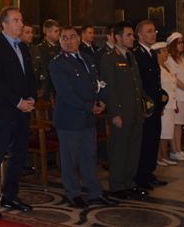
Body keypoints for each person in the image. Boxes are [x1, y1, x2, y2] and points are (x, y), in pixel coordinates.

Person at [49, 27, 116, 208]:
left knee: (89, 157)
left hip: (88, 118)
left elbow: (98, 83)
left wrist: (101, 101)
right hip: (70, 119)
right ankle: (73, 193)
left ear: (79, 39)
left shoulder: (87, 58)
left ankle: (95, 193)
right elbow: (66, 93)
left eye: (72, 37)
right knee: (70, 160)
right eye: (64, 38)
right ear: (60, 41)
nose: (68, 41)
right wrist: (89, 106)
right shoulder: (57, 63)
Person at [0, 7, 36, 219]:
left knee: (18, 155)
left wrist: (31, 98)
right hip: (3, 112)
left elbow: (29, 76)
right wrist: (18, 101)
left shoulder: (23, 47)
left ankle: (9, 195)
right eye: (16, 20)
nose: (21, 24)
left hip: (22, 111)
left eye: (21, 20)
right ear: (4, 24)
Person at [100, 21, 149, 200]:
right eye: (128, 35)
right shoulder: (109, 58)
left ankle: (129, 182)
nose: (132, 38)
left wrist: (145, 104)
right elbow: (109, 89)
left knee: (133, 150)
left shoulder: (131, 56)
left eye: (132, 35)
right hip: (121, 113)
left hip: (135, 111)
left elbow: (137, 84)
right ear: (117, 37)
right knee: (119, 150)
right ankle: (117, 185)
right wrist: (115, 114)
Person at [132, 20, 167, 190]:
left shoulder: (152, 53)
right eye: (149, 31)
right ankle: (141, 176)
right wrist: (144, 105)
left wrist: (160, 104)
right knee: (144, 141)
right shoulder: (136, 55)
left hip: (155, 105)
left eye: (154, 31)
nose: (153, 34)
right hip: (145, 106)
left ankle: (149, 172)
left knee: (153, 139)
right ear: (140, 35)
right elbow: (138, 84)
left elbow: (156, 82)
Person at [164, 32, 184, 161]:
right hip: (177, 95)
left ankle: (179, 149)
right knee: (174, 124)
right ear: (172, 45)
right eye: (178, 43)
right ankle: (174, 150)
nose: (181, 45)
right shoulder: (169, 59)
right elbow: (174, 79)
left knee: (180, 124)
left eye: (182, 42)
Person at [153, 41, 179, 167]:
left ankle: (164, 156)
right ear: (157, 54)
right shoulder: (156, 68)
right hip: (164, 105)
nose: (166, 53)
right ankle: (160, 157)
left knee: (167, 132)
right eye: (163, 51)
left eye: (166, 51)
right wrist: (160, 104)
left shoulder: (166, 67)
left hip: (171, 103)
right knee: (162, 133)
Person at [32, 18, 61, 98]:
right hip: (47, 90)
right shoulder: (39, 49)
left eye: (58, 31)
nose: (59, 33)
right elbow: (38, 71)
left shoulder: (60, 47)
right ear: (48, 32)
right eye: (56, 31)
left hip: (59, 88)